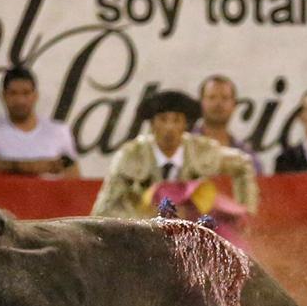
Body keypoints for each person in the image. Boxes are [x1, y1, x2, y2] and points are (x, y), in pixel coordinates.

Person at [91, 90, 258, 219]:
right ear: (153, 125)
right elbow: (104, 209)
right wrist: (139, 220)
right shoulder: (130, 156)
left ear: (185, 125)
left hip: (193, 234)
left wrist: (246, 211)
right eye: (163, 119)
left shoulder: (201, 151)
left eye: (177, 120)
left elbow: (243, 165)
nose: (169, 127)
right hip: (144, 236)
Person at [0, 66, 78, 177]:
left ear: (36, 95)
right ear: (3, 96)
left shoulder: (59, 130)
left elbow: (74, 176)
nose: (20, 101)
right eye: (13, 93)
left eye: (26, 93)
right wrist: (30, 167)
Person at [194, 74, 261, 173]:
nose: (218, 103)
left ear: (234, 105)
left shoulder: (246, 155)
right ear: (201, 103)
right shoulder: (184, 147)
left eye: (225, 98)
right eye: (212, 97)